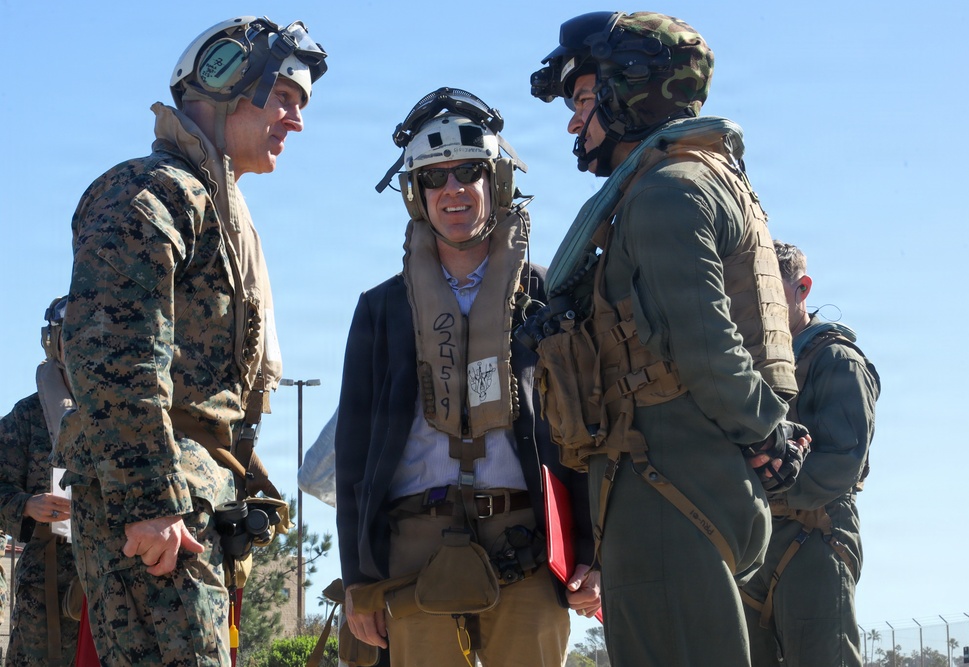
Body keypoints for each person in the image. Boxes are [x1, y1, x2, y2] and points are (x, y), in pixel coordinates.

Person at [528, 11, 811, 666]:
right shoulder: (702, 181)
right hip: (678, 485)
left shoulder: (665, 193)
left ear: (630, 91)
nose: (575, 122)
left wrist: (764, 430)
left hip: (663, 492)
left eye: (584, 99)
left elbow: (705, 344)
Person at [55, 16, 327, 666]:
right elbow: (113, 352)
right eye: (285, 97)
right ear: (227, 81)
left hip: (186, 504)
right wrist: (150, 504)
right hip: (158, 513)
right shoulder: (154, 192)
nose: (297, 120)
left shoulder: (214, 203)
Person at [336, 87, 599, 667]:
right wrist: (359, 579)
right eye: (435, 178)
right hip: (412, 552)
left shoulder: (552, 297)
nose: (453, 190)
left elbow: (583, 434)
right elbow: (354, 454)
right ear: (416, 194)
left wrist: (591, 553)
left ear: (496, 181)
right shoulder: (380, 310)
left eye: (469, 172)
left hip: (526, 544)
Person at [741, 241, 881, 666]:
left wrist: (771, 492)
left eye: (767, 288)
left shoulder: (836, 360)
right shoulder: (747, 366)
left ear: (802, 289)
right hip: (755, 540)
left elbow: (841, 463)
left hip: (817, 533)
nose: (757, 302)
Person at [0, 297, 80, 666]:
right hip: (49, 595)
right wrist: (25, 505)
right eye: (73, 334)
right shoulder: (27, 417)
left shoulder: (138, 412)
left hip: (127, 586)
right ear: (55, 341)